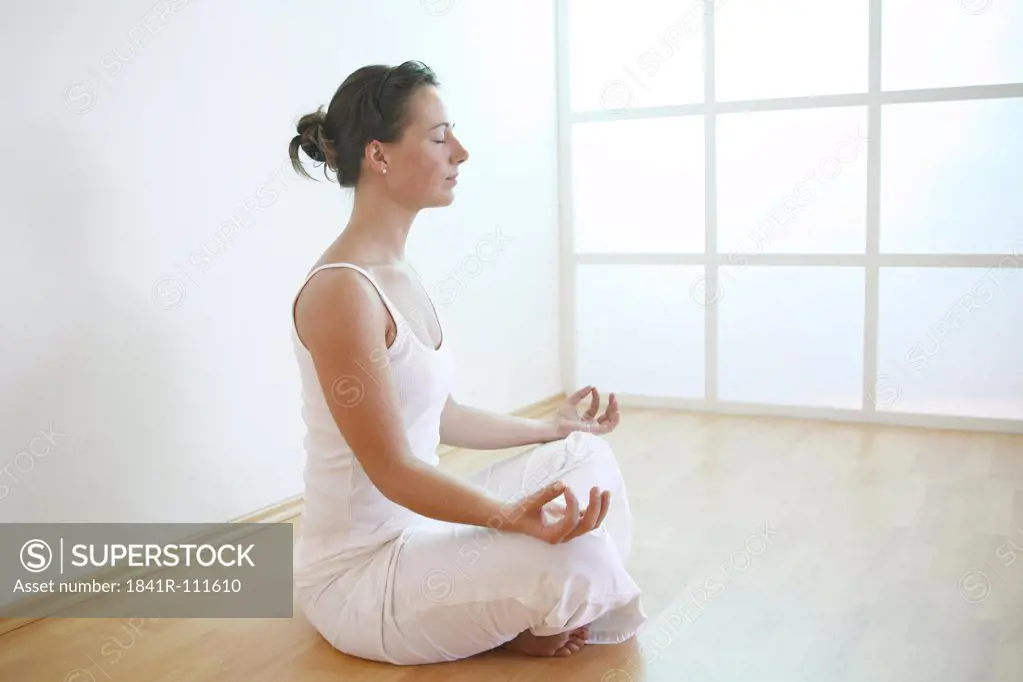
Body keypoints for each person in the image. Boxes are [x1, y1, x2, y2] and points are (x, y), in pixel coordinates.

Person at [286, 60, 646, 666]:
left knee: (584, 456)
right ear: (379, 156)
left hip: (421, 529)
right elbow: (393, 469)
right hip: (362, 573)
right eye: (438, 136)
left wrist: (552, 428)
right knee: (579, 557)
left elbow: (442, 415)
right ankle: (513, 612)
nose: (461, 152)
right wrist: (509, 519)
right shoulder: (340, 292)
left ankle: (509, 607)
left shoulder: (395, 273)